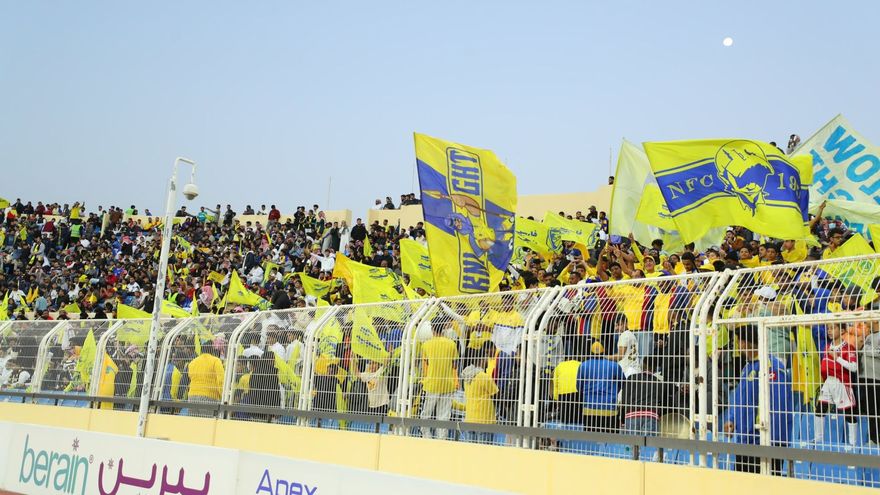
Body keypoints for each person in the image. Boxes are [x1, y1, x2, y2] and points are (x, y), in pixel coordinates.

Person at [723, 324, 793, 474]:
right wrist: (731, 419)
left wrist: (774, 443)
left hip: (765, 442)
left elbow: (778, 407)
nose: (738, 346)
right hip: (745, 440)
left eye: (738, 342)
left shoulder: (772, 367)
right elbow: (739, 398)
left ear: (745, 343)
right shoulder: (747, 368)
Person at [816, 322, 859, 447]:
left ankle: (853, 444)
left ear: (842, 331)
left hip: (842, 383)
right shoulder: (827, 347)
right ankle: (818, 440)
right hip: (828, 382)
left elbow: (854, 367)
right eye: (828, 328)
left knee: (849, 413)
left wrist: (837, 358)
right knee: (820, 409)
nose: (829, 331)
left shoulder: (848, 348)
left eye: (832, 328)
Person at [419, 321, 459, 439]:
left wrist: (424, 379)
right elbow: (454, 365)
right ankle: (442, 438)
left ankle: (426, 435)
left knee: (427, 412)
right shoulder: (452, 344)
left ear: (432, 329)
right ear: (443, 329)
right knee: (444, 415)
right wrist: (456, 381)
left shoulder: (426, 345)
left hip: (432, 384)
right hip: (447, 384)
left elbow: (425, 365)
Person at [577, 341, 624, 433]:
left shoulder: (583, 366)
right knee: (610, 437)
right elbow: (622, 383)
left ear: (590, 352)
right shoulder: (614, 366)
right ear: (604, 351)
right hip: (609, 408)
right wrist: (614, 391)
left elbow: (579, 386)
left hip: (589, 408)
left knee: (591, 438)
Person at [186, 345, 225, 417]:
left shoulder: (192, 362)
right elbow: (221, 380)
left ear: (201, 351)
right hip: (209, 396)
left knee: (193, 421)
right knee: (206, 421)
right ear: (212, 351)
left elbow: (189, 378)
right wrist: (222, 395)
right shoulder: (215, 361)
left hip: (192, 396)